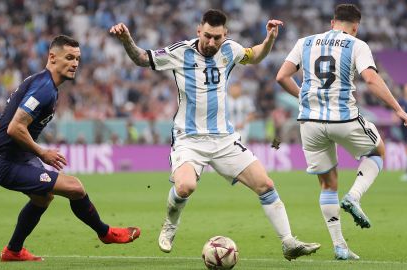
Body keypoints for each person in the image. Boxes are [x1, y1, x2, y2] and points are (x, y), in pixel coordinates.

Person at [110, 9, 320, 261]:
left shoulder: (230, 49)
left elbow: (254, 56)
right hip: (189, 138)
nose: (211, 42)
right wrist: (127, 41)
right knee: (186, 186)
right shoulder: (181, 52)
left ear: (225, 35)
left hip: (224, 139)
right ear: (199, 30)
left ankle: (288, 242)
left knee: (266, 185)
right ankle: (170, 225)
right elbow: (143, 59)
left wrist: (270, 39)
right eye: (207, 36)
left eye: (217, 38)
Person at [0, 35, 140, 262]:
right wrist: (43, 153)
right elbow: (13, 127)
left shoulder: (40, 82)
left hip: (12, 158)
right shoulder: (44, 89)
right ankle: (105, 233)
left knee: (43, 198)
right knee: (75, 188)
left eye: (78, 59)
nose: (75, 64)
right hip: (10, 163)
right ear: (52, 57)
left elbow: (2, 121)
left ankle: (13, 251)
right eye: (69, 58)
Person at [275, 4, 407, 260]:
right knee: (378, 151)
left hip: (310, 122)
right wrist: (399, 109)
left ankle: (339, 246)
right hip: (343, 117)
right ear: (355, 27)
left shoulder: (304, 42)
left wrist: (305, 97)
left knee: (328, 184)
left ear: (332, 22)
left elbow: (282, 76)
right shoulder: (356, 44)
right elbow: (371, 79)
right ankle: (354, 196)